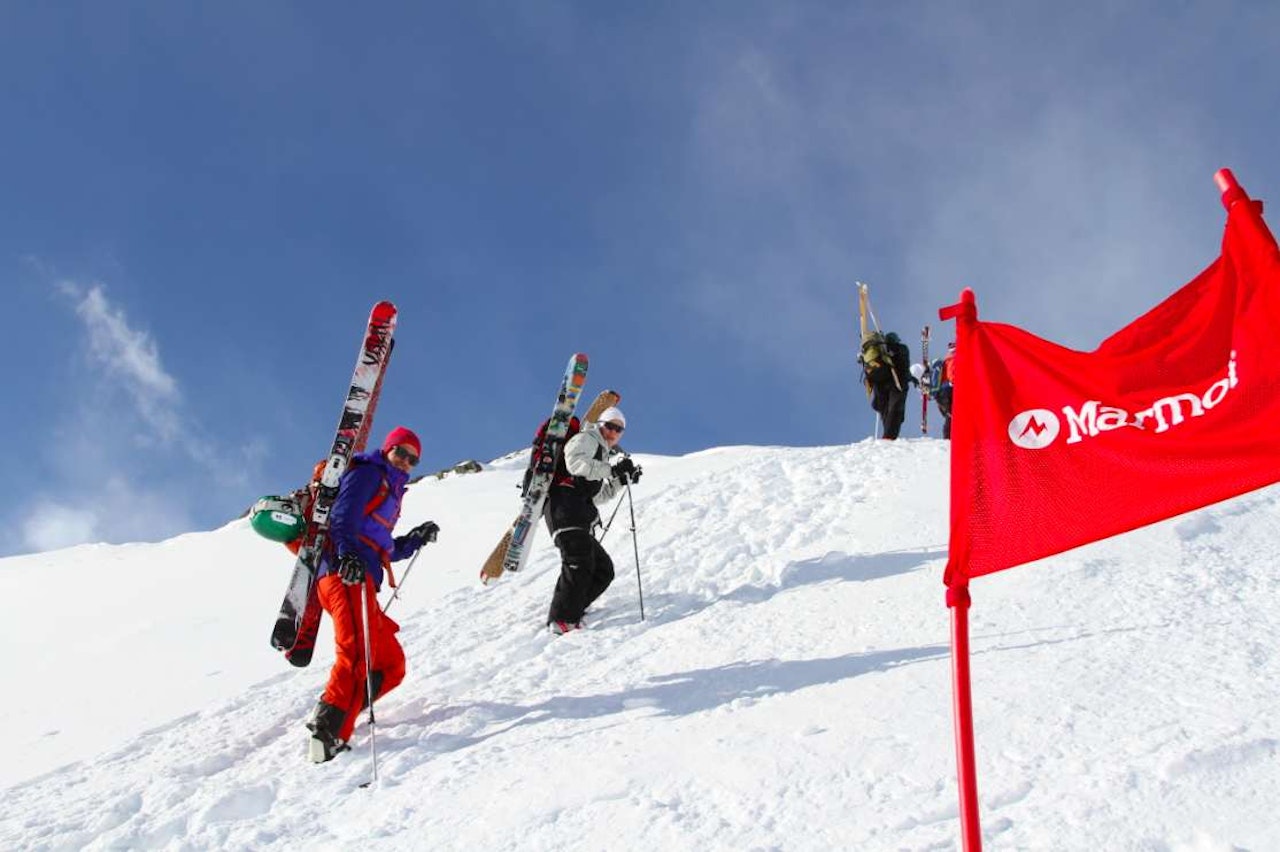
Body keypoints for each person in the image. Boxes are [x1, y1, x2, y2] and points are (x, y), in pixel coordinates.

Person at [305, 426, 440, 763]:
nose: (407, 461)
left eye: (413, 459)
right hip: (343, 574)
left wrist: (412, 540)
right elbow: (343, 517)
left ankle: (339, 712)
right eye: (402, 453)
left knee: (390, 664)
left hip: (364, 577)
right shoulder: (368, 474)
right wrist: (347, 556)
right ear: (388, 448)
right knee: (356, 654)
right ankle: (327, 735)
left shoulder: (392, 491)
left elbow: (383, 546)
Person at [543, 406, 640, 635]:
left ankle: (573, 608)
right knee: (579, 561)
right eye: (610, 425)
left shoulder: (601, 453)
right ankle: (562, 619)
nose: (614, 432)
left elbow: (599, 495)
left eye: (619, 429)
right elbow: (575, 464)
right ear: (601, 424)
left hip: (579, 513)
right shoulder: (587, 438)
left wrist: (620, 480)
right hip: (564, 508)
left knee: (603, 570)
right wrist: (611, 469)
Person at [863, 331, 916, 440]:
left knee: (885, 409)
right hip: (896, 383)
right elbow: (903, 367)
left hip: (880, 381)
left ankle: (888, 434)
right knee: (896, 410)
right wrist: (910, 378)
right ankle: (889, 436)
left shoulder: (882, 352)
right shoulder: (901, 348)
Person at [935, 341, 956, 440]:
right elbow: (953, 375)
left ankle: (948, 437)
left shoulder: (946, 359)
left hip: (942, 393)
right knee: (953, 415)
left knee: (951, 415)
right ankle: (949, 438)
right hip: (951, 390)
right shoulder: (956, 358)